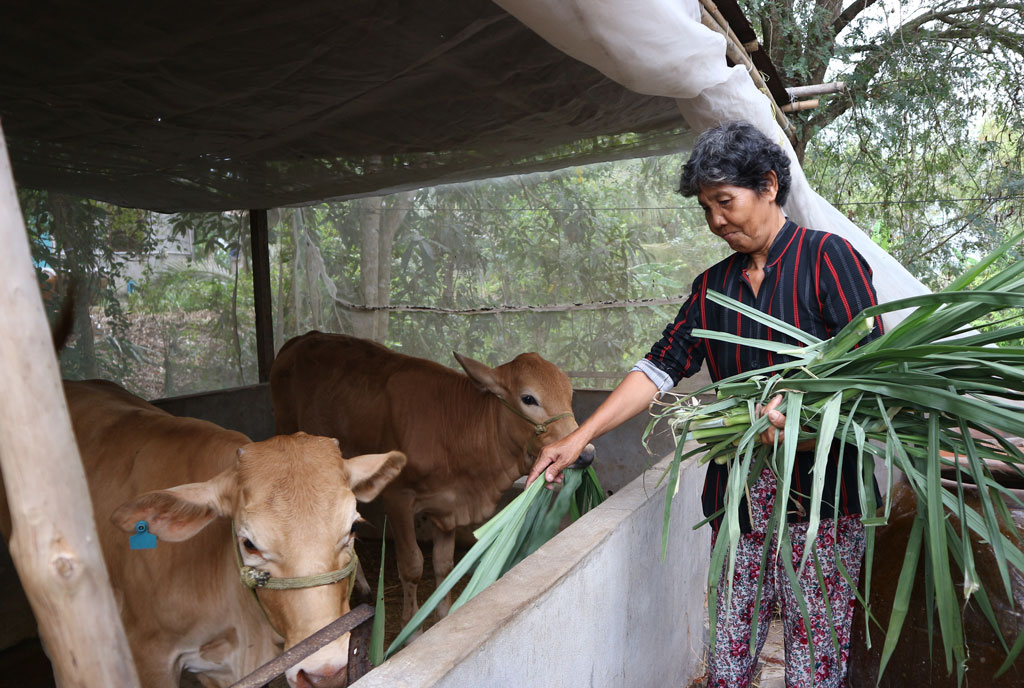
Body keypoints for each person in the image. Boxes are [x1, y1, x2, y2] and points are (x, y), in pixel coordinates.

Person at [527, 121, 883, 688]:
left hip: (821, 502)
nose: (716, 221)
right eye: (706, 208)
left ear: (768, 186)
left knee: (815, 663)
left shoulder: (827, 259)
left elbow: (871, 374)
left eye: (725, 202)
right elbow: (659, 367)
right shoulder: (712, 286)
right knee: (728, 653)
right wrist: (577, 438)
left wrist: (808, 427)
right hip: (737, 498)